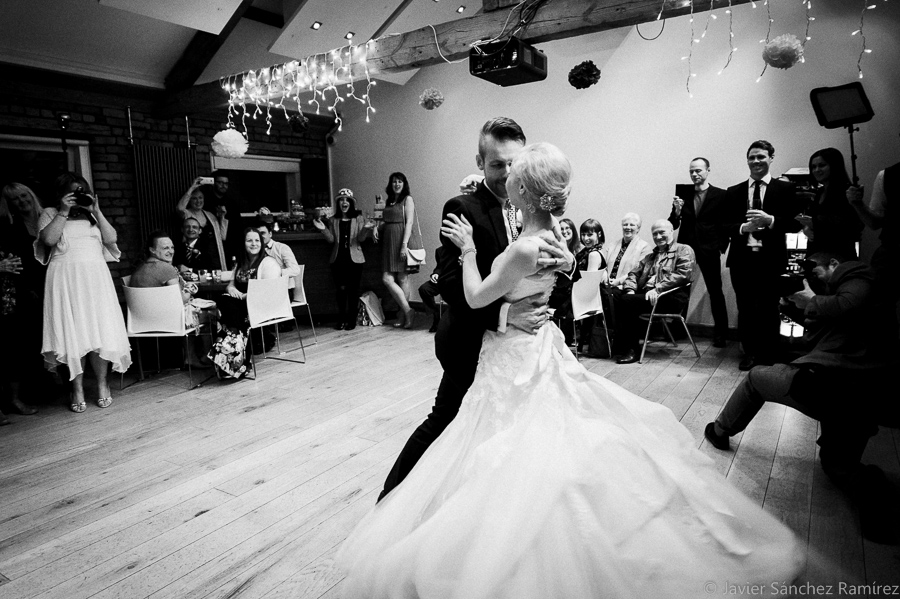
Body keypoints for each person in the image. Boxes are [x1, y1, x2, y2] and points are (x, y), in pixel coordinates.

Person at [337, 143, 801, 598]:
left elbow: (477, 294)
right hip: (533, 347)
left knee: (505, 445)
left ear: (524, 192)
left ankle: (497, 541)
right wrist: (563, 266)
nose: (502, 181)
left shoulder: (524, 245)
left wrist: (467, 253)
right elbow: (556, 272)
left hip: (514, 355)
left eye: (511, 175)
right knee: (518, 435)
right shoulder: (557, 232)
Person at [376, 117, 573, 502]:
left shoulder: (532, 211)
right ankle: (392, 497)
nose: (505, 173)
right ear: (480, 162)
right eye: (496, 164)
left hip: (520, 348)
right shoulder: (462, 207)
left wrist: (539, 303)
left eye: (512, 164)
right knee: (446, 417)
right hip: (469, 338)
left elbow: (560, 272)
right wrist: (505, 314)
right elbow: (450, 281)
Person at [704, 252, 897, 542]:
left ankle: (720, 430)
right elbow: (821, 336)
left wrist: (811, 301)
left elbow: (847, 305)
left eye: (816, 270)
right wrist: (795, 309)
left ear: (833, 263)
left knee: (757, 377)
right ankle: (874, 489)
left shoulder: (857, 275)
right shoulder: (842, 301)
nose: (812, 277)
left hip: (834, 383)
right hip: (855, 396)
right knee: (836, 465)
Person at [36, 173, 131, 412]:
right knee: (72, 332)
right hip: (65, 278)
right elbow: (48, 239)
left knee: (98, 330)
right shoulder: (50, 212)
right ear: (61, 193)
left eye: (81, 190)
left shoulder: (92, 215)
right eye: (72, 191)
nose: (78, 195)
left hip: (95, 278)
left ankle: (102, 384)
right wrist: (63, 211)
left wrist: (96, 211)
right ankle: (76, 387)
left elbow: (112, 238)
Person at [724, 140, 802, 371]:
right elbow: (723, 225)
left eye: (761, 157)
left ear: (771, 158)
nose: (756, 161)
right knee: (745, 308)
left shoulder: (785, 189)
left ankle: (770, 353)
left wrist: (771, 221)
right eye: (752, 157)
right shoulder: (734, 191)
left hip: (772, 259)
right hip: (742, 259)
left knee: (769, 307)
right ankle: (750, 353)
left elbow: (795, 224)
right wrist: (742, 228)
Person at [610, 219, 695, 364]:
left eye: (662, 232)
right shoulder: (650, 257)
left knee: (627, 301)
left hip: (670, 298)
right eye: (655, 234)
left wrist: (658, 288)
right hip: (648, 296)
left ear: (671, 231)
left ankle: (631, 349)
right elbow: (633, 274)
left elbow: (683, 274)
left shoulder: (683, 249)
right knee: (614, 295)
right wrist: (630, 289)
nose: (658, 237)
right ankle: (620, 343)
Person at [669, 157, 731, 347]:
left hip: (709, 247)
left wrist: (721, 246)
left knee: (715, 291)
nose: (694, 174)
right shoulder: (684, 193)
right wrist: (677, 211)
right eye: (691, 171)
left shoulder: (720, 195)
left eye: (698, 171)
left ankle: (721, 333)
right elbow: (673, 224)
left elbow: (725, 223)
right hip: (686, 248)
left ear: (707, 171)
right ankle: (677, 329)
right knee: (680, 288)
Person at [130, 231, 213, 367]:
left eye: (172, 247)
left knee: (192, 312)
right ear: (152, 250)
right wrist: (188, 291)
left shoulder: (139, 268)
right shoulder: (166, 268)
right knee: (208, 314)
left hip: (139, 322)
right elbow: (180, 301)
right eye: (165, 248)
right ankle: (202, 356)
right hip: (167, 321)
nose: (171, 251)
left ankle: (191, 356)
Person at [209, 228, 281, 378]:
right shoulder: (241, 263)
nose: (253, 243)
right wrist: (232, 289)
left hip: (258, 304)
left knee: (226, 310)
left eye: (257, 240)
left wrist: (244, 296)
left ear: (261, 243)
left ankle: (228, 360)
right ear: (243, 243)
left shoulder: (269, 262)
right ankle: (236, 354)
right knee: (225, 302)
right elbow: (230, 284)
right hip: (240, 305)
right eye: (249, 240)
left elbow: (269, 291)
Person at [0, 183, 44, 424]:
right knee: (17, 345)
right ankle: (14, 398)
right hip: (21, 291)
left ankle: (42, 388)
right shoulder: (7, 225)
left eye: (25, 195)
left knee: (36, 340)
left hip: (51, 284)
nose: (21, 201)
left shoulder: (47, 216)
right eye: (14, 199)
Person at [846, 159, 899, 343]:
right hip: (893, 251)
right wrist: (857, 204)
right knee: (880, 311)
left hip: (891, 251)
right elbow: (874, 222)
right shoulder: (887, 176)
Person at [313, 188, 376, 330]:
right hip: (338, 259)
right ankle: (341, 318)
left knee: (353, 290)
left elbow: (360, 239)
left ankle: (351, 319)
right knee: (341, 290)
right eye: (341, 200)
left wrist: (366, 228)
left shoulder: (358, 218)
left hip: (355, 260)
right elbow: (331, 240)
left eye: (347, 200)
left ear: (352, 203)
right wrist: (323, 229)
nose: (344, 202)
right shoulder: (333, 220)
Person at [794, 148, 862, 259]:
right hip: (817, 254)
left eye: (822, 165)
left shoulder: (847, 191)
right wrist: (807, 228)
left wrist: (814, 223)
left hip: (838, 254)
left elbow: (851, 224)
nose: (816, 170)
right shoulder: (820, 192)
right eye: (813, 167)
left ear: (834, 166)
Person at [379, 172, 417, 328]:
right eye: (394, 181)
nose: (396, 184)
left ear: (404, 183)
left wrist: (404, 245)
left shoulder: (408, 200)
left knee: (401, 278)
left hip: (402, 240)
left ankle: (404, 314)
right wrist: (378, 227)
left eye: (399, 181)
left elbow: (409, 223)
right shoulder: (389, 201)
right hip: (389, 241)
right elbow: (386, 220)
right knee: (388, 278)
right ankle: (407, 311)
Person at [176, 177, 228, 270]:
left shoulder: (210, 215)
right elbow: (180, 208)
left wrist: (222, 218)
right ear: (189, 201)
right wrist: (192, 188)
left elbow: (223, 236)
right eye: (194, 198)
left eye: (200, 198)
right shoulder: (187, 214)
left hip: (214, 258)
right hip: (195, 258)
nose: (198, 201)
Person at [547, 217, 581, 345]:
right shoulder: (554, 250)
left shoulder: (579, 251)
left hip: (571, 293)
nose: (565, 231)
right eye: (562, 229)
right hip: (563, 292)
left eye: (568, 228)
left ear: (573, 231)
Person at [602, 212, 652, 289]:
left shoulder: (645, 247)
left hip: (626, 288)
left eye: (632, 225)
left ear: (638, 228)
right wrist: (605, 279)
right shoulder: (612, 245)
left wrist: (618, 281)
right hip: (606, 285)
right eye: (625, 224)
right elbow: (603, 266)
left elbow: (639, 272)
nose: (628, 227)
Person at [417, 247, 446, 333]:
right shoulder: (440, 250)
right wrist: (436, 274)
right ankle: (436, 316)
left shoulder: (464, 247)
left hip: (460, 280)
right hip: (443, 280)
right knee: (424, 289)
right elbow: (439, 267)